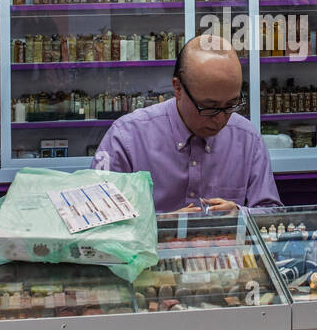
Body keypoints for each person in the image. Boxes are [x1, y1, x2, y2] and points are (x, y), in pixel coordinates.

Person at [94, 34, 280, 213]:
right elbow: (97, 214)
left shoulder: (247, 138)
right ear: (178, 88)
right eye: (209, 107)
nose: (221, 119)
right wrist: (159, 225)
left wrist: (241, 215)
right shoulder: (127, 137)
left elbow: (272, 212)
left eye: (231, 105)